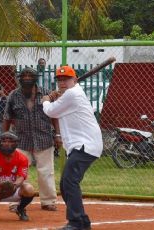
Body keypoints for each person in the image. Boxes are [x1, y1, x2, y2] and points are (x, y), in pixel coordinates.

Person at [42, 66, 103, 230]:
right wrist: (56, 98)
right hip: (81, 146)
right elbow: (59, 108)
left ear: (74, 80)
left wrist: (46, 99)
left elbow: (51, 111)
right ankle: (82, 222)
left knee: (69, 182)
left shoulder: (73, 94)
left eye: (66, 79)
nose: (62, 82)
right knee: (66, 184)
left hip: (85, 145)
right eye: (60, 80)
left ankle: (76, 222)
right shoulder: (71, 93)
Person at [3, 67, 61, 212]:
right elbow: (7, 117)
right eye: (24, 75)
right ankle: (16, 202)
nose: (27, 78)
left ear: (35, 78)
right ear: (20, 78)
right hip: (21, 140)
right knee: (18, 172)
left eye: (30, 75)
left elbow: (54, 116)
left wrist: (58, 135)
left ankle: (48, 201)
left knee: (46, 171)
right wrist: (4, 137)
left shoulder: (47, 93)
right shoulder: (13, 95)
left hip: (44, 138)